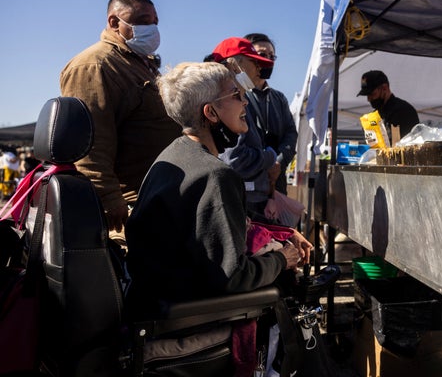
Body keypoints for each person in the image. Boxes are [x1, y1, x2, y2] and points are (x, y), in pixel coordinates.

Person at [125, 62, 311, 376]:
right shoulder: (216, 175)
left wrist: (281, 232)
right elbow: (233, 278)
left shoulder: (175, 154)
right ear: (210, 113)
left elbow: (224, 219)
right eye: (236, 95)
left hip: (155, 298)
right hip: (182, 315)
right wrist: (283, 258)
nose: (245, 103)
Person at [60, 0, 181, 233]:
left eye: (155, 22)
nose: (153, 28)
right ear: (115, 22)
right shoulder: (95, 64)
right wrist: (108, 197)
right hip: (130, 206)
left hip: (157, 198)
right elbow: (91, 141)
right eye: (144, 20)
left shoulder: (139, 63)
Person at [209, 37, 280, 223]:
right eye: (255, 62)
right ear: (233, 65)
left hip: (247, 196)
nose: (259, 68)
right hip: (242, 199)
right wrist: (269, 157)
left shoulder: (238, 100)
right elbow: (235, 159)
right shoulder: (225, 102)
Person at [243, 33, 298, 195]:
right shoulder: (237, 94)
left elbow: (291, 134)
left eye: (271, 56)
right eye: (262, 55)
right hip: (247, 181)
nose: (268, 60)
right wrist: (264, 163)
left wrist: (278, 163)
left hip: (276, 181)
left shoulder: (278, 98)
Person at [357, 70, 420, 139]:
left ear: (384, 88)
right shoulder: (376, 115)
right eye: (367, 96)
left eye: (372, 94)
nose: (369, 99)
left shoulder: (404, 111)